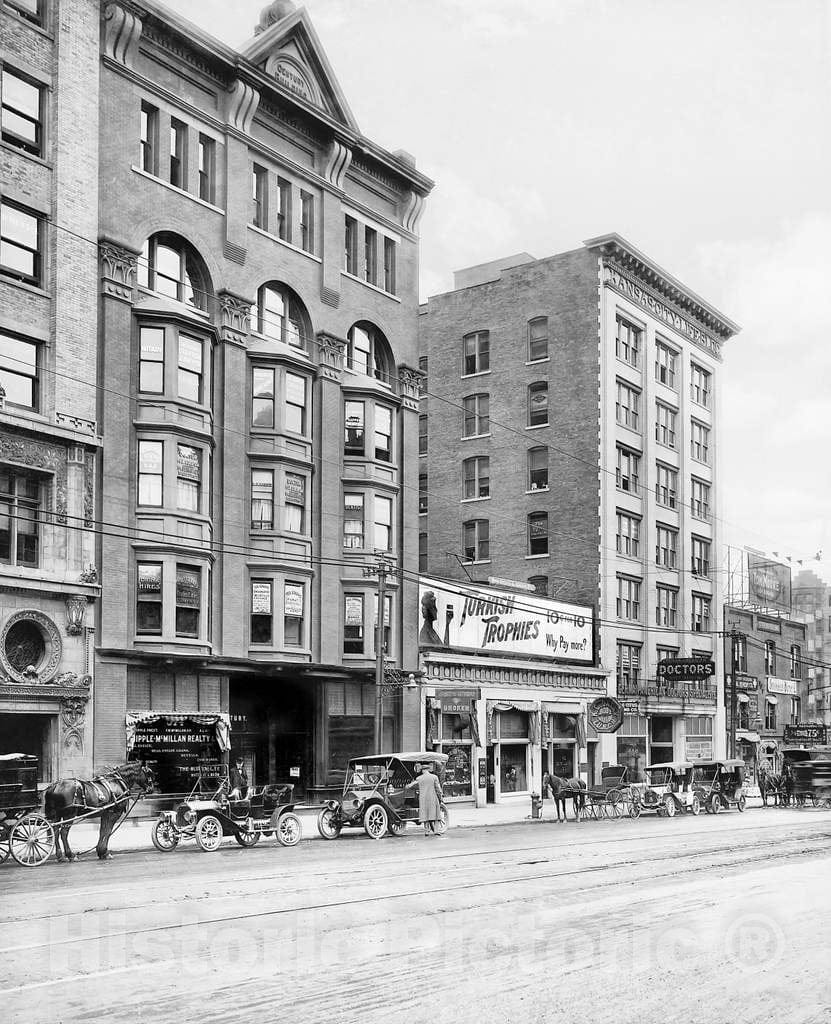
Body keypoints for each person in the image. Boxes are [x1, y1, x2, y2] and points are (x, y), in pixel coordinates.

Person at [410, 762, 444, 836]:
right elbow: (438, 788)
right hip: (432, 797)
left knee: (425, 814)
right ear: (428, 769)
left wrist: (409, 786)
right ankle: (436, 830)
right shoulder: (434, 777)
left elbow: (412, 786)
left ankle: (426, 831)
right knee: (436, 814)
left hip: (423, 798)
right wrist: (440, 796)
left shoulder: (419, 778)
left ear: (422, 770)